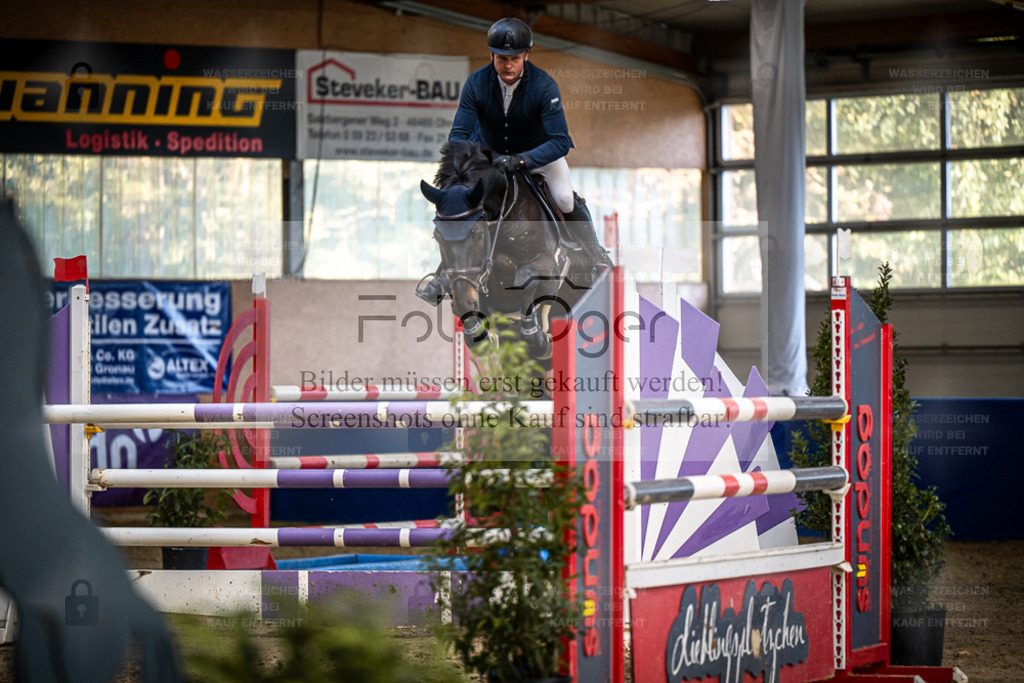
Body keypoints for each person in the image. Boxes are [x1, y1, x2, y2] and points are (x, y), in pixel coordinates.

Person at [417, 17, 612, 305]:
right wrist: (460, 171)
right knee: (463, 206)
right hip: (490, 159)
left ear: (526, 56)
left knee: (564, 198)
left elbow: (560, 141)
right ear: (492, 56)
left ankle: (594, 255)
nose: (508, 65)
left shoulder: (545, 87)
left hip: (538, 155)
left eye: (515, 58)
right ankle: (445, 274)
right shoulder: (476, 83)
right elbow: (459, 133)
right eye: (502, 58)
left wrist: (522, 161)